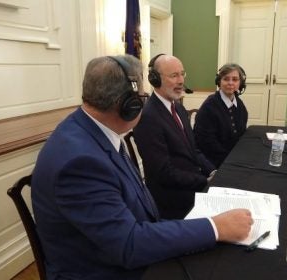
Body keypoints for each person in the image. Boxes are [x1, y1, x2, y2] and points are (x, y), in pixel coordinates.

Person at [31, 55, 253, 280]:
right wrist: (215, 227)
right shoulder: (80, 163)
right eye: (141, 96)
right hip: (104, 270)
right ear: (129, 105)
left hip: (128, 245)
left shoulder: (95, 130)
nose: (143, 102)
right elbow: (129, 245)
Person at [133, 54, 216, 219]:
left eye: (182, 74)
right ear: (155, 79)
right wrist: (204, 181)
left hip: (191, 185)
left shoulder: (178, 108)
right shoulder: (148, 117)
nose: (180, 81)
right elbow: (163, 173)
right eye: (174, 75)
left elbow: (194, 150)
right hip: (172, 199)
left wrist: (213, 171)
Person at [194, 63, 248, 168]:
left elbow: (241, 133)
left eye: (235, 79)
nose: (230, 83)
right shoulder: (209, 106)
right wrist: (231, 160)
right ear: (219, 81)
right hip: (213, 162)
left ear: (240, 83)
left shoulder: (240, 105)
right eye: (226, 79)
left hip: (233, 158)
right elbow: (206, 143)